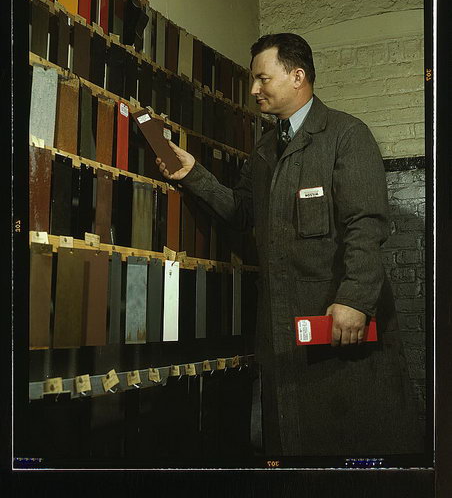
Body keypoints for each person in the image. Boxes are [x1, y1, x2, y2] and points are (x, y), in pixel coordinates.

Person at [156, 33, 423, 457]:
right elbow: (243, 213)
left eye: (263, 78)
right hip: (285, 331)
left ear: (297, 76)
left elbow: (366, 224)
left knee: (356, 448)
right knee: (296, 449)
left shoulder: (346, 135)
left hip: (338, 324)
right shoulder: (265, 148)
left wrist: (355, 297)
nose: (254, 90)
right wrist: (194, 174)